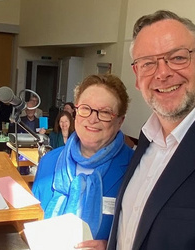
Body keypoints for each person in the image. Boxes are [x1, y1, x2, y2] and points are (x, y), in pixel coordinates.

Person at [107, 10, 195, 250]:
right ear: (137, 76)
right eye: (148, 63)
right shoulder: (146, 142)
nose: (163, 73)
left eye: (177, 58)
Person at [32, 74, 133, 249]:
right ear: (76, 113)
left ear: (119, 121)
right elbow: (34, 220)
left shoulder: (134, 168)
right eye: (86, 108)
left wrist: (111, 247)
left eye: (105, 112)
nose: (92, 119)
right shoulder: (49, 161)